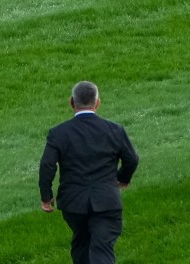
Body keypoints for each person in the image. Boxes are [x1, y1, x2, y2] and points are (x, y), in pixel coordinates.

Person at [39, 81, 139, 264]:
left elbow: (47, 165)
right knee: (102, 249)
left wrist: (46, 196)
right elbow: (132, 159)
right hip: (107, 201)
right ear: (98, 102)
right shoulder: (115, 130)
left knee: (81, 245)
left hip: (73, 204)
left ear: (71, 102)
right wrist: (122, 179)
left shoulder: (59, 133)